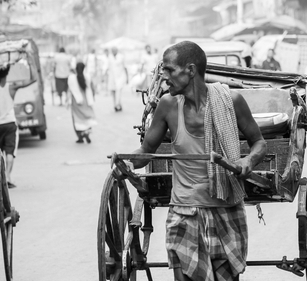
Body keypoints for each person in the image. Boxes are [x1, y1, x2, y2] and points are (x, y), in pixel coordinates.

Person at [113, 41, 267, 281]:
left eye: (170, 70)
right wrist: (127, 163)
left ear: (191, 70)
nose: (164, 77)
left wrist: (249, 161)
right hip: (184, 211)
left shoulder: (231, 101)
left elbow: (260, 143)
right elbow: (146, 149)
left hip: (225, 210)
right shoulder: (167, 106)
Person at [0, 64, 35, 188]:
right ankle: (7, 176)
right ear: (6, 74)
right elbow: (32, 79)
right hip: (10, 124)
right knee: (10, 151)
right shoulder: (12, 88)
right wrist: (31, 63)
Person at [67, 62, 97, 143]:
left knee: (77, 119)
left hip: (76, 102)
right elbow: (93, 89)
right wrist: (93, 97)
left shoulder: (71, 78)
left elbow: (69, 91)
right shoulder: (88, 77)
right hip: (87, 101)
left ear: (76, 69)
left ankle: (80, 136)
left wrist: (67, 101)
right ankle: (87, 132)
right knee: (87, 117)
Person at [107, 47, 128, 112]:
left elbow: (125, 67)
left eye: (114, 50)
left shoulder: (121, 57)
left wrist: (127, 78)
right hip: (112, 77)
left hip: (120, 76)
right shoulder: (110, 57)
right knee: (113, 91)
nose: (113, 51)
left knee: (118, 91)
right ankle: (117, 105)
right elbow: (108, 67)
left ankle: (117, 105)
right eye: (112, 50)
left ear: (117, 50)